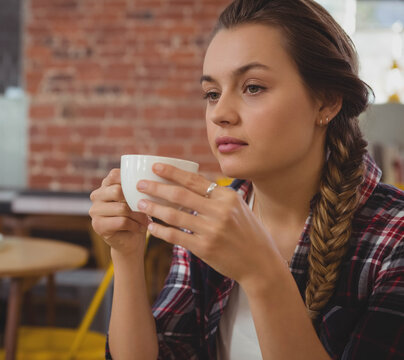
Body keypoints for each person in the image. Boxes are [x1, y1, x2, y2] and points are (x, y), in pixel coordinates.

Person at [88, 0, 404, 359]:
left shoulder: (394, 239)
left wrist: (262, 274)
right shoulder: (207, 218)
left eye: (253, 87)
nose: (220, 113)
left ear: (327, 102)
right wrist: (127, 255)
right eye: (212, 93)